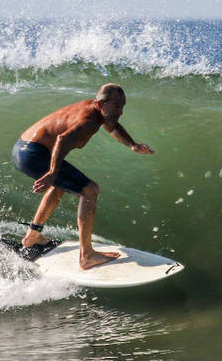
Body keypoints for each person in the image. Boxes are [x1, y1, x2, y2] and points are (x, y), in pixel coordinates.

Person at [11, 83, 155, 269]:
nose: (120, 112)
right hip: (33, 153)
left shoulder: (96, 110)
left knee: (60, 186)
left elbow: (112, 127)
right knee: (90, 190)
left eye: (122, 106)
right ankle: (87, 255)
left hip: (22, 149)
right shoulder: (89, 120)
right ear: (102, 104)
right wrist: (52, 172)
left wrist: (132, 145)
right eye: (117, 106)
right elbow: (63, 139)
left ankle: (33, 236)